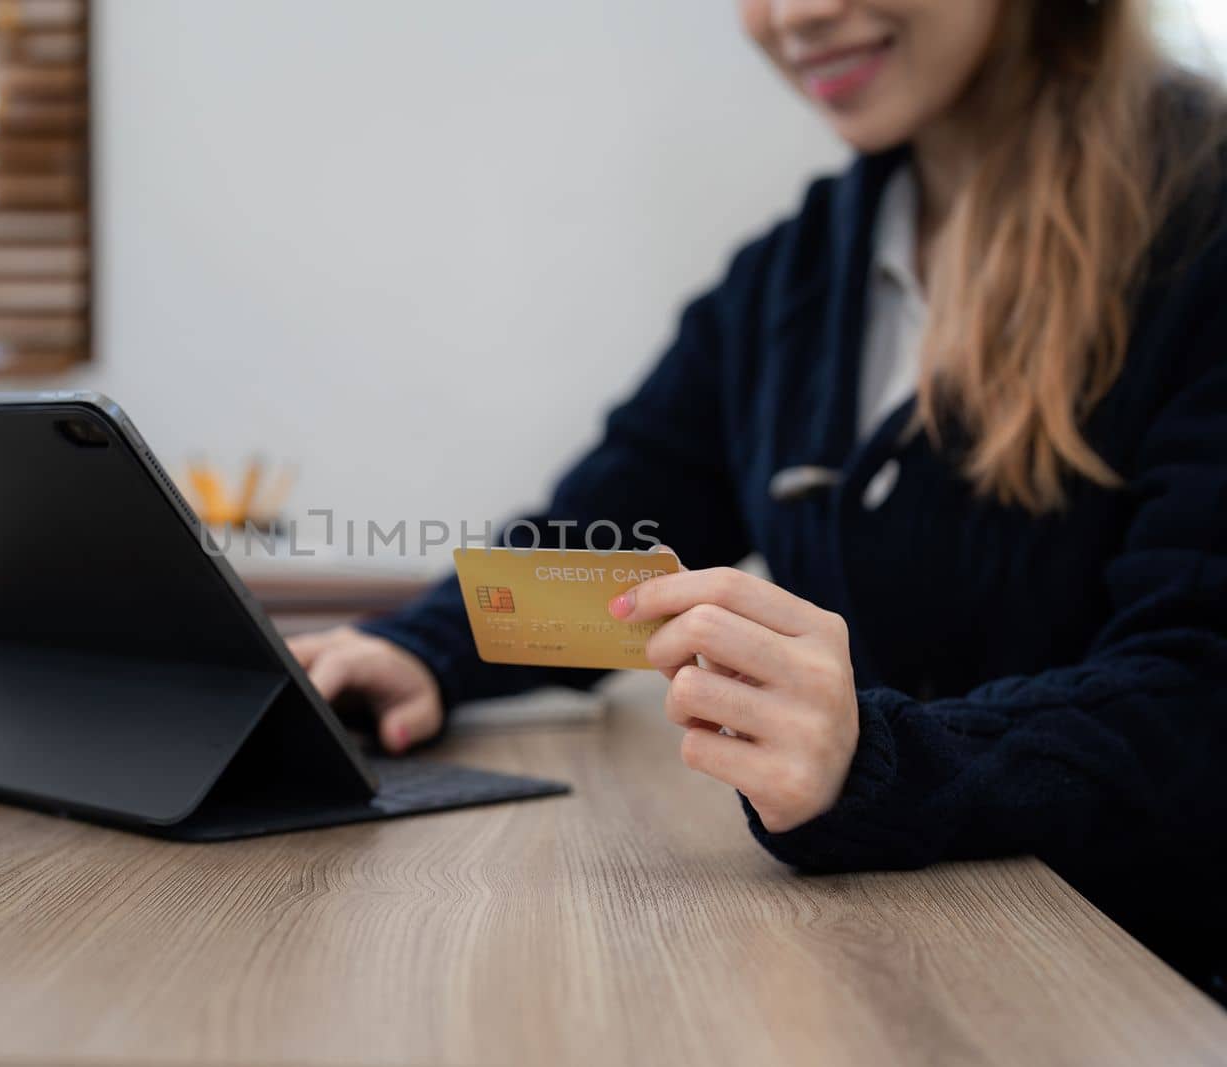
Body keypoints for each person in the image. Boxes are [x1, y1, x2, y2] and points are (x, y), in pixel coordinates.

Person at [288, 0, 1227, 1002]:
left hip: (1128, 993)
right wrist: (422, 646)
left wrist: (879, 760)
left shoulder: (1199, 228)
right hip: (889, 965)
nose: (797, 14)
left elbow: (1199, 692)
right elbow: (619, 526)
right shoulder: (799, 273)